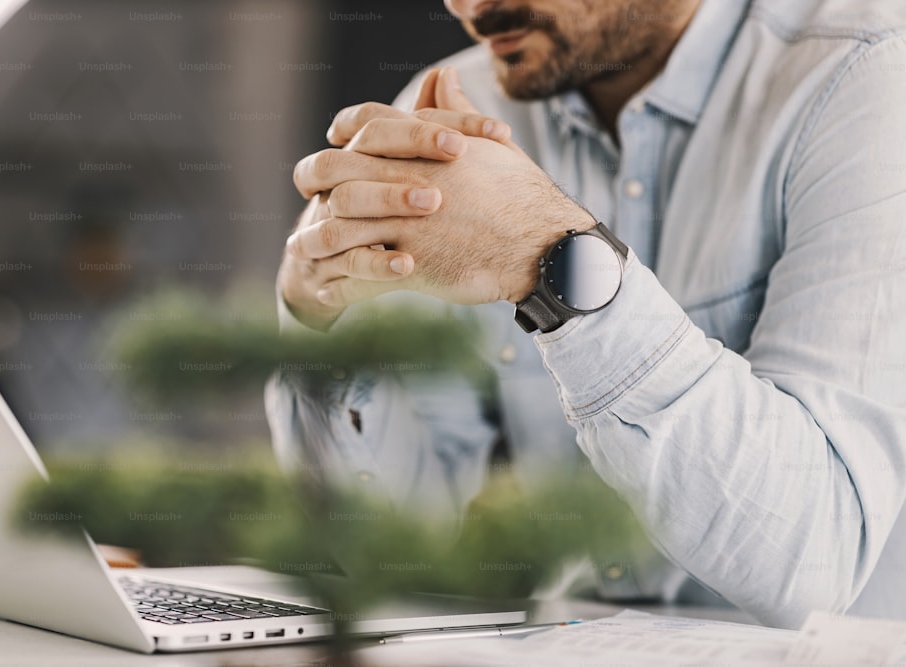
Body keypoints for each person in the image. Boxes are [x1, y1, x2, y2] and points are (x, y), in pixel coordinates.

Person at [265, 0, 906, 629]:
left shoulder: (868, 74)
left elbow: (815, 559)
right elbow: (405, 553)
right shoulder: (456, 111)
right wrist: (315, 317)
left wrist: (553, 255)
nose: (465, 4)